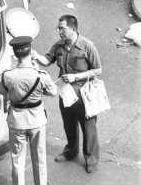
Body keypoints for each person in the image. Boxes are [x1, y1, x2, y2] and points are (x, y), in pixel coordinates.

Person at [33, 15, 103, 174]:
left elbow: (98, 70)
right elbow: (47, 60)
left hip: (84, 93)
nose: (59, 32)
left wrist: (76, 77)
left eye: (62, 28)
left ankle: (91, 158)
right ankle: (71, 150)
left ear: (73, 29)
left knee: (88, 127)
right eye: (58, 28)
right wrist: (35, 56)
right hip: (66, 93)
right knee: (69, 123)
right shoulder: (59, 45)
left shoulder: (87, 46)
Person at [0, 36, 57, 185]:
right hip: (37, 119)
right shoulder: (40, 75)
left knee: (17, 157)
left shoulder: (8, 75)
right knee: (39, 154)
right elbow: (53, 92)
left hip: (17, 120)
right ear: (30, 52)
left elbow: (3, 93)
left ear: (15, 54)